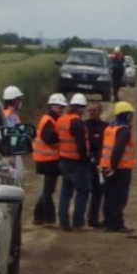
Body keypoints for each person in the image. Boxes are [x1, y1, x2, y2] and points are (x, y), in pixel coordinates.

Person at [56, 94, 92, 231]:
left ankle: (63, 222)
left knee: (66, 192)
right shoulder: (77, 122)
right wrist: (86, 161)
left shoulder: (62, 120)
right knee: (83, 191)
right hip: (76, 162)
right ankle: (78, 221)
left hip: (63, 160)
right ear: (81, 108)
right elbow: (81, 145)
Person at [100, 101, 137, 232]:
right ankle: (116, 224)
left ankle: (108, 221)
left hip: (106, 166)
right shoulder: (124, 130)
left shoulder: (110, 128)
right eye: (130, 114)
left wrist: (108, 165)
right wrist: (113, 166)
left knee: (109, 195)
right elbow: (118, 148)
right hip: (120, 168)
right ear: (126, 115)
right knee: (119, 197)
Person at [32, 93, 66, 226]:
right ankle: (49, 217)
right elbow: (49, 139)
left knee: (47, 190)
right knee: (48, 191)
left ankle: (38, 216)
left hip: (48, 159)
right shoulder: (48, 120)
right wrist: (62, 136)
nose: (61, 110)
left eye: (62, 107)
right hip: (48, 160)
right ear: (51, 106)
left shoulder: (51, 120)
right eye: (59, 107)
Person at [84, 101, 108, 228]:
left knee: (98, 193)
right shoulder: (84, 125)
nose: (92, 113)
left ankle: (94, 219)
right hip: (85, 163)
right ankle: (79, 219)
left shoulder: (105, 127)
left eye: (94, 110)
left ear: (100, 112)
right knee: (83, 191)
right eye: (90, 110)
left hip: (100, 164)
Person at [1, 86, 26, 181]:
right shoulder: (12, 115)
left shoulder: (3, 113)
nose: (20, 102)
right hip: (10, 152)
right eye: (19, 100)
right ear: (15, 101)